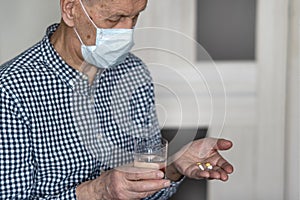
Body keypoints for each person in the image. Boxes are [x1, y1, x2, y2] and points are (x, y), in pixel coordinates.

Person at [0, 0, 234, 199]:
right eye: (114, 19)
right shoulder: (11, 90)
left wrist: (172, 167)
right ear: (71, 9)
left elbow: (145, 186)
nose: (127, 30)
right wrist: (99, 191)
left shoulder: (133, 72)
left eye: (135, 16)